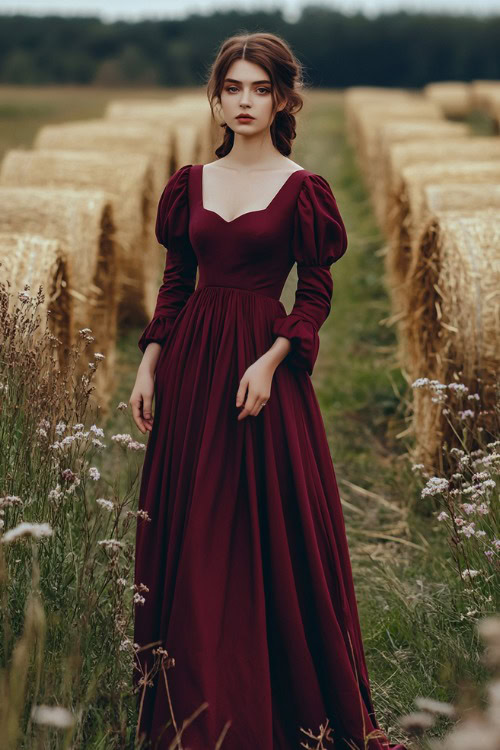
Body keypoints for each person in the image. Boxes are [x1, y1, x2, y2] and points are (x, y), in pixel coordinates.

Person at [129, 31, 407, 750]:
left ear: (282, 98)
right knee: (192, 531)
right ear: (216, 99)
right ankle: (192, 703)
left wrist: (275, 357)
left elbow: (314, 290)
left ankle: (277, 698)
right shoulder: (188, 183)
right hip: (192, 367)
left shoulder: (303, 188)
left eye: (259, 89)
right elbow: (176, 280)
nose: (244, 101)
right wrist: (150, 361)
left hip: (261, 373)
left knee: (269, 535)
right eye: (232, 88)